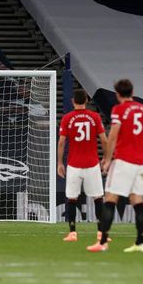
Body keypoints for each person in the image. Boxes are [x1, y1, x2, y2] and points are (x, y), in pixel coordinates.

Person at [88, 79, 143, 253]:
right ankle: (140, 242)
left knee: (111, 200)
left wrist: (108, 159)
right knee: (138, 202)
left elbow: (113, 136)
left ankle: (102, 242)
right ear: (132, 92)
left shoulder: (119, 110)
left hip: (123, 162)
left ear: (118, 94)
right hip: (140, 164)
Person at [57, 89, 108, 242]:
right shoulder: (95, 116)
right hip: (92, 164)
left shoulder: (67, 118)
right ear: (86, 100)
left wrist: (60, 163)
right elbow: (104, 140)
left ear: (73, 101)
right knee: (98, 198)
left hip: (74, 164)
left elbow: (61, 143)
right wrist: (105, 157)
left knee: (72, 198)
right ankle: (101, 233)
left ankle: (72, 233)